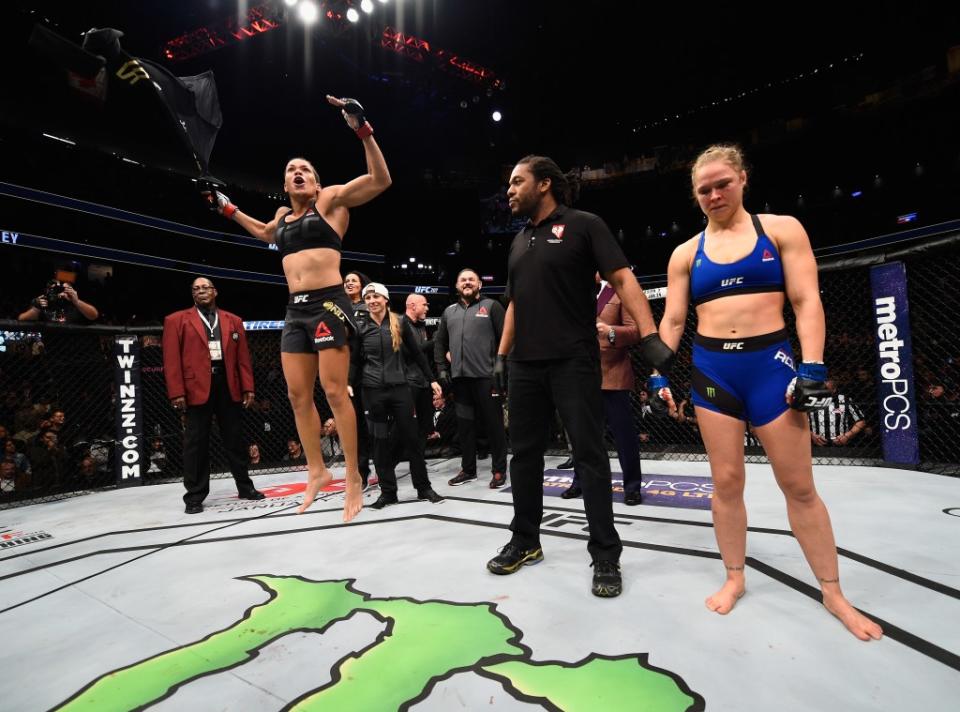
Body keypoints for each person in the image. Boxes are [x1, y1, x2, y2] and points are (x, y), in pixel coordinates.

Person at [656, 143, 882, 640]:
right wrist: (656, 374)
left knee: (799, 486)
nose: (714, 195)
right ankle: (735, 577)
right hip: (713, 371)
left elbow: (806, 301)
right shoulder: (685, 254)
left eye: (722, 184)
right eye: (704, 189)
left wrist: (814, 366)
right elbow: (673, 319)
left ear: (742, 179)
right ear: (694, 195)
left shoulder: (780, 230)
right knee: (727, 483)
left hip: (772, 367)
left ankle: (833, 591)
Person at [487, 155, 674, 598]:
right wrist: (500, 356)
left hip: (574, 360)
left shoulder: (585, 224)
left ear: (545, 184)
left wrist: (649, 336)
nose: (509, 191)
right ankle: (526, 540)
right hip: (525, 366)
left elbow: (625, 279)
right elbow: (513, 304)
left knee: (590, 456)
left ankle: (606, 554)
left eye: (517, 182)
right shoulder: (517, 243)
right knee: (525, 456)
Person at [204, 96, 391, 521]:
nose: (298, 172)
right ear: (285, 185)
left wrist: (362, 128)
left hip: (329, 305)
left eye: (305, 168)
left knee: (332, 391)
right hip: (295, 310)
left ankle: (355, 476)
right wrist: (226, 208)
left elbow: (380, 180)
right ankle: (316, 471)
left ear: (318, 182)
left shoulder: (332, 202)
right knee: (296, 395)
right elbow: (262, 232)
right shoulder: (283, 218)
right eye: (291, 170)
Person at [163, 277, 263, 513]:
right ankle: (195, 497)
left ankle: (245, 487)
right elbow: (171, 360)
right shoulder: (176, 320)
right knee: (196, 444)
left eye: (205, 287)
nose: (201, 291)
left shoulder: (233, 320)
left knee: (236, 440)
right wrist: (177, 392)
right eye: (196, 289)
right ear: (192, 294)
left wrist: (248, 387)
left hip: (228, 384)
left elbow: (243, 359)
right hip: (195, 387)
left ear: (215, 292)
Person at [351, 283, 444, 508]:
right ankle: (388, 492)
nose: (372, 300)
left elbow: (418, 355)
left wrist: (432, 380)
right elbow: (354, 359)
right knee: (380, 443)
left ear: (385, 299)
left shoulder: (400, 322)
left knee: (412, 440)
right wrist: (347, 383)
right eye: (368, 297)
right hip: (372, 391)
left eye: (376, 296)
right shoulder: (360, 326)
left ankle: (424, 488)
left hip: (400, 389)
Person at [561, 273, 644, 506]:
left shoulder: (619, 291)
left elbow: (635, 330)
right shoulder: (573, 292)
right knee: (582, 435)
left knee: (624, 437)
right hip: (581, 375)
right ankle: (580, 482)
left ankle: (632, 487)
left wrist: (610, 331)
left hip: (613, 374)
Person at [434, 269, 509, 489]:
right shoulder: (449, 312)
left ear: (479, 285)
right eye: (463, 280)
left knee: (494, 426)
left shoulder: (492, 307)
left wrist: (499, 372)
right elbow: (439, 344)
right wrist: (442, 370)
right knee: (465, 427)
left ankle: (499, 470)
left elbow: (506, 339)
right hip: (460, 381)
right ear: (457, 286)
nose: (467, 282)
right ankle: (468, 470)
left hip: (487, 378)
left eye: (471, 279)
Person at [344, 270, 373, 486]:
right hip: (344, 372)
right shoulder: (339, 308)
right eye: (346, 281)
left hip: (369, 370)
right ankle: (360, 471)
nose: (349, 284)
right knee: (353, 423)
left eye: (353, 280)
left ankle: (383, 465)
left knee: (374, 422)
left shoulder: (370, 306)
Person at [808, 380, 865, 447]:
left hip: (840, 444)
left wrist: (847, 436)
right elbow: (800, 423)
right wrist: (811, 435)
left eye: (826, 389)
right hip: (816, 444)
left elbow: (861, 422)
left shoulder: (845, 400)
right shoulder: (811, 400)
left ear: (834, 390)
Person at [18, 276, 98, 323]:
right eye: (56, 290)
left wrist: (77, 302)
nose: (61, 292)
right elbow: (21, 319)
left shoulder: (75, 305)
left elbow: (94, 315)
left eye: (64, 289)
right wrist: (36, 308)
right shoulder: (45, 304)